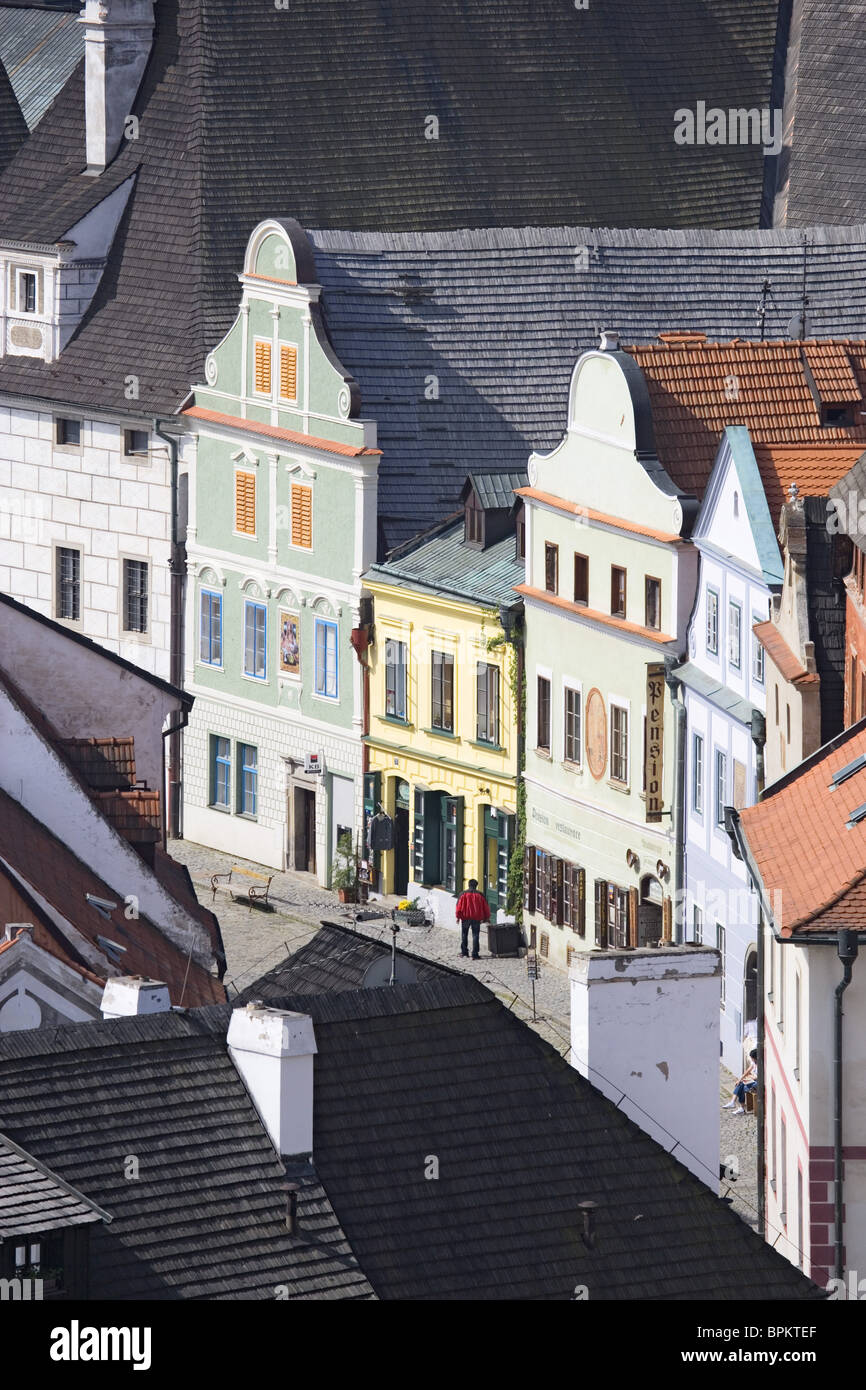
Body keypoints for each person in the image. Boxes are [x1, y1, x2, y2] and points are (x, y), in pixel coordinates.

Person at [454, 879, 490, 960]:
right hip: (476, 918)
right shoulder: (480, 895)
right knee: (475, 935)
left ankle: (464, 952)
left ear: (468, 885)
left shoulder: (462, 894)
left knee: (464, 934)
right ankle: (475, 954)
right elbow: (486, 908)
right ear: (476, 885)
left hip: (465, 917)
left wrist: (458, 917)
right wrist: (487, 918)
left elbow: (458, 907)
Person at [723, 1049, 757, 1115]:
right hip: (753, 1080)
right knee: (740, 1083)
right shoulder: (754, 1063)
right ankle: (733, 1102)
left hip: (757, 1084)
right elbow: (747, 1071)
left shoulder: (760, 1065)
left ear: (755, 1058)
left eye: (752, 1058)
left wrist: (750, 1077)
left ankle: (738, 1106)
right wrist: (740, 1079)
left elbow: (757, 1077)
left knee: (743, 1087)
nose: (751, 1060)